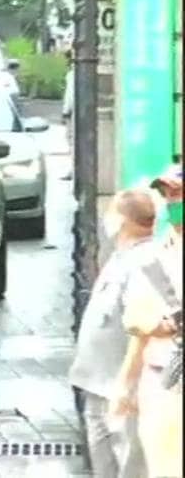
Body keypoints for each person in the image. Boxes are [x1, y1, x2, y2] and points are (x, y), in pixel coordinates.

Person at [69, 188, 159, 478]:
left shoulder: (145, 262)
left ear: (122, 220)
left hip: (121, 388)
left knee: (129, 465)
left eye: (112, 214)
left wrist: (126, 383)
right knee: (104, 465)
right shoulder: (120, 257)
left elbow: (141, 329)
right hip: (96, 382)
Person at [112, 173, 184, 478]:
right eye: (168, 195)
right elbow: (141, 330)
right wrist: (125, 384)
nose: (173, 202)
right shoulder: (160, 254)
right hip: (162, 381)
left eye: (179, 194)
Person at [61, 50, 74, 181]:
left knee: (72, 141)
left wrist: (65, 111)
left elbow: (69, 96)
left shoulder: (72, 74)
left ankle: (73, 169)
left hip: (73, 113)